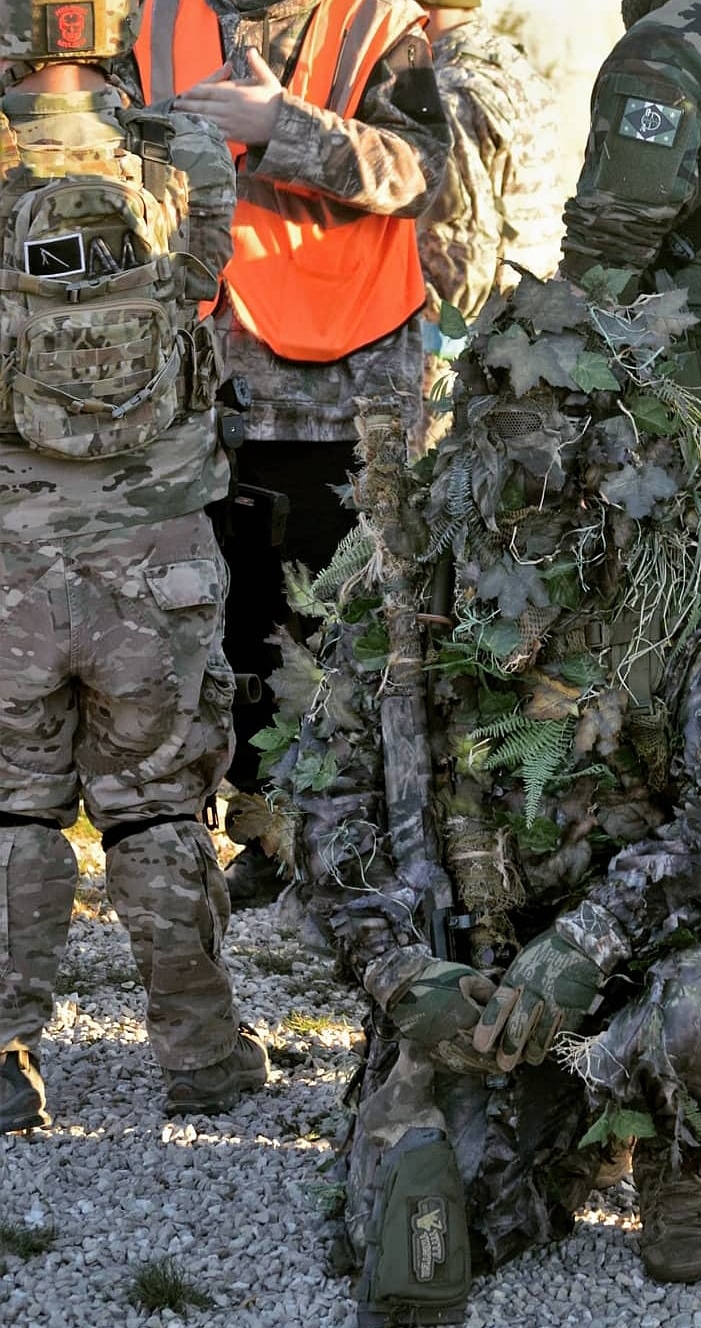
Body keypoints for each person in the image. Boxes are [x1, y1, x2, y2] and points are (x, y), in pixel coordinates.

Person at [257, 1, 701, 1319]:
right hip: (482, 960)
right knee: (435, 1213)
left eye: (573, 438)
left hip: (635, 949)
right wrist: (409, 977)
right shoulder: (407, 588)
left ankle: (678, 1159)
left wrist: (582, 949)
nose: (541, 471)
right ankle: (546, 1115)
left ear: (628, 447)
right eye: (510, 435)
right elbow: (325, 801)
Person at [0, 0, 268, 1134]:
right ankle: (203, 1056)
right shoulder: (183, 152)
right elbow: (198, 277)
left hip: (9, 551)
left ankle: (5, 1062)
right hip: (159, 548)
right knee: (160, 806)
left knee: (10, 807)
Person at [118, 0, 452, 902]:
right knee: (200, 608)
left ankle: (321, 836)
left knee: (328, 616)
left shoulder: (374, 23)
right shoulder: (149, 16)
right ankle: (217, 825)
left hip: (340, 383)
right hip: (185, 371)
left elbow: (425, 174)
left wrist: (282, 126)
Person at [416, 0, 562, 450]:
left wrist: (436, 351)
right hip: (524, 335)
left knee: (434, 480)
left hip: (463, 350)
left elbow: (461, 249)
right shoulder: (512, 67)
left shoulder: (446, 90)